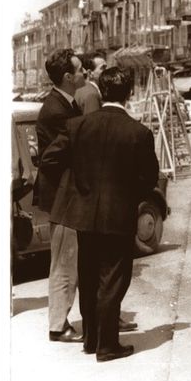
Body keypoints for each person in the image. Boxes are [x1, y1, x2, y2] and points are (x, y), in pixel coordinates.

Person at [45, 67, 159, 362]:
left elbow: (49, 159)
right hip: (118, 216)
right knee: (113, 279)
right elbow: (149, 179)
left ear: (101, 91)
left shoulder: (77, 125)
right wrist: (129, 195)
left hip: (83, 216)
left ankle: (91, 340)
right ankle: (107, 345)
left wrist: (77, 187)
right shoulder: (139, 133)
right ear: (129, 93)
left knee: (89, 275)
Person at [36, 48, 86, 344]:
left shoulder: (65, 103)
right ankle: (57, 325)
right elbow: (57, 156)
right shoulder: (57, 110)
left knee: (70, 261)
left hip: (67, 197)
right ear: (68, 77)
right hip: (63, 198)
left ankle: (67, 319)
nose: (84, 73)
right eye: (80, 70)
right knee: (64, 264)